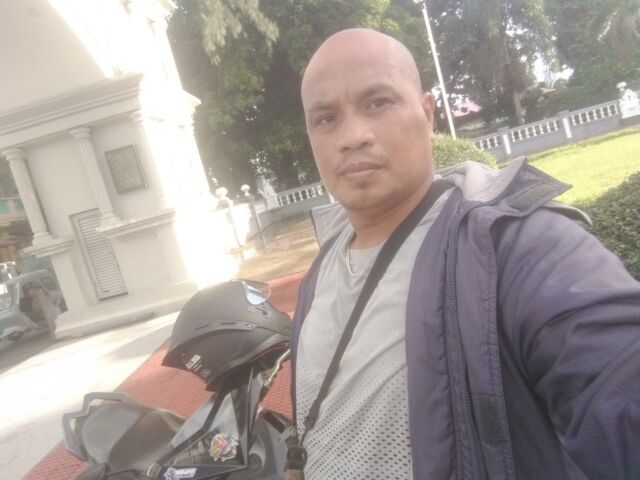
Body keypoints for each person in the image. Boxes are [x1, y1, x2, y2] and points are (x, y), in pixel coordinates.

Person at [289, 28, 640, 480]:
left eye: (377, 103)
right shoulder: (323, 266)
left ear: (427, 113)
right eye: (326, 118)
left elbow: (613, 373)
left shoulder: (509, 247)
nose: (352, 135)